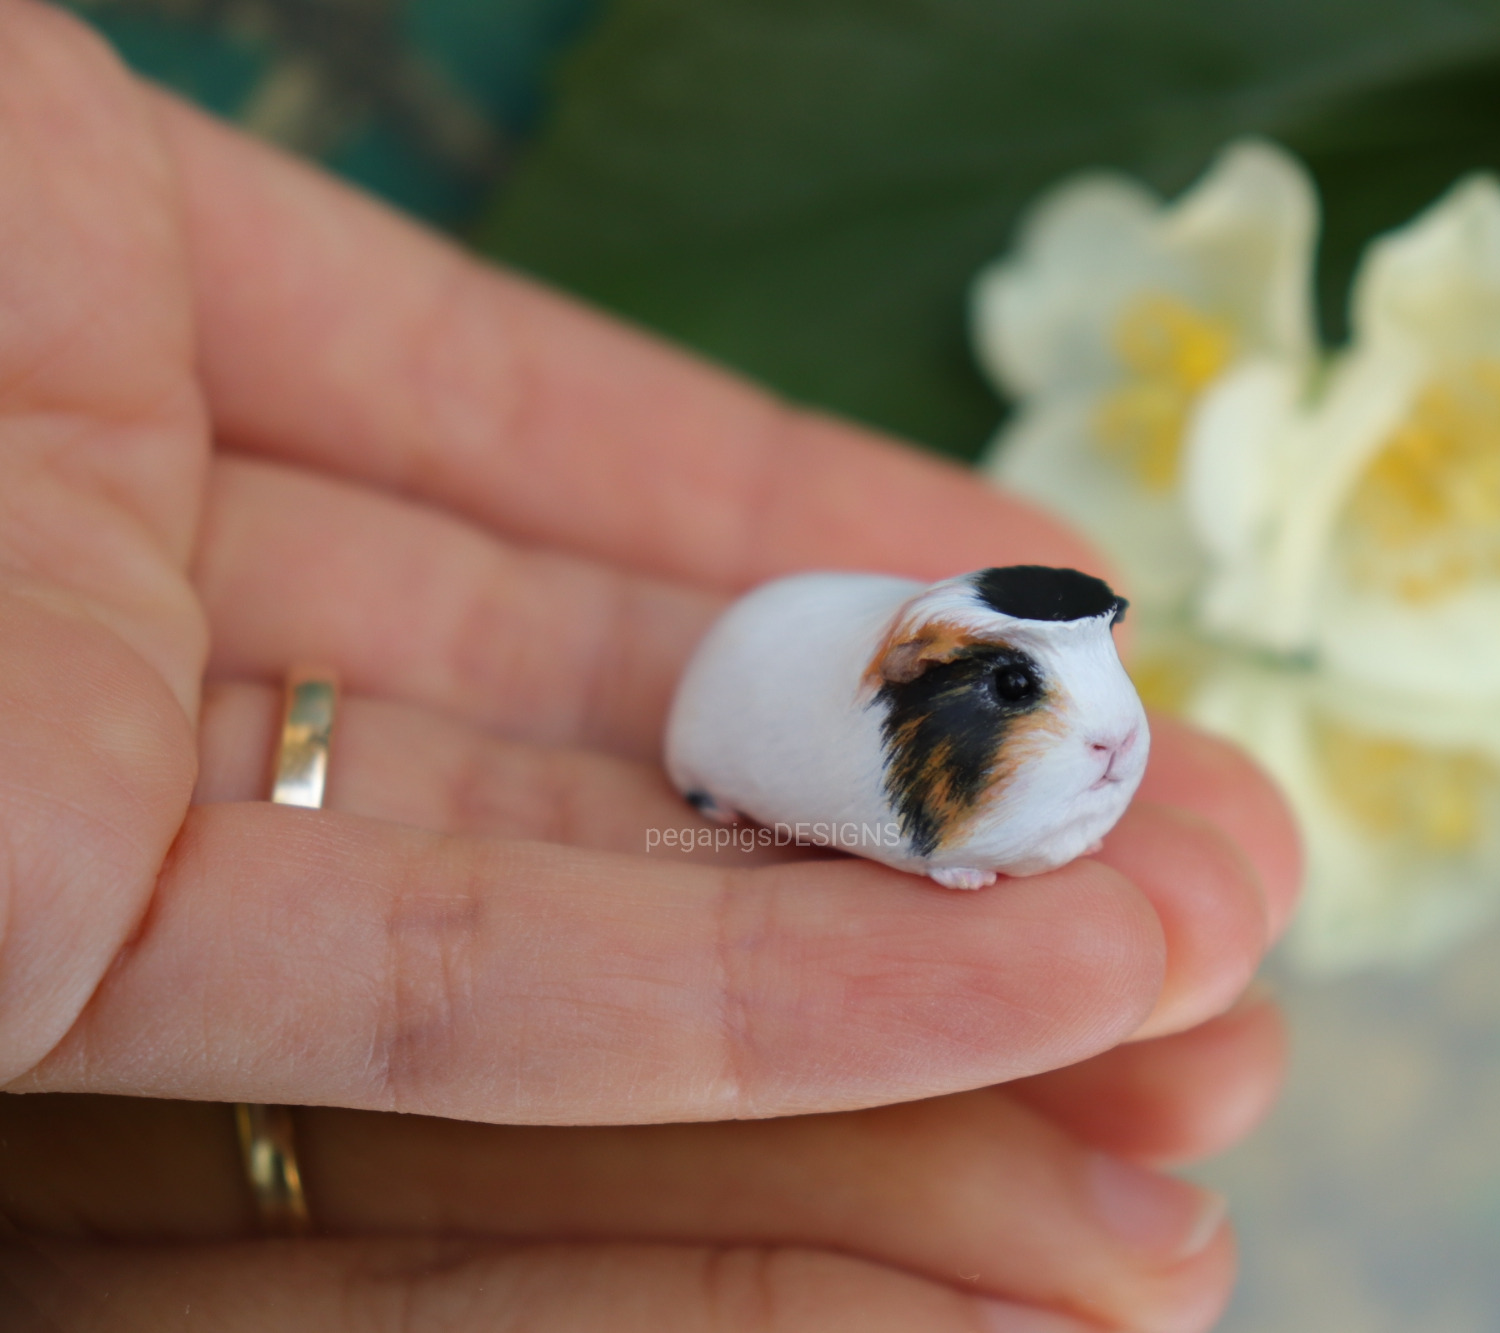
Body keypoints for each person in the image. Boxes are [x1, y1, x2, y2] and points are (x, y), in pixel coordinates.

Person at [0, 2, 1300, 1329]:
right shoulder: (857, 727)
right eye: (1023, 686)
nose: (1111, 733)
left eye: (1096, 671)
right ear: (921, 674)